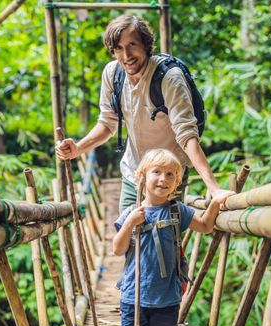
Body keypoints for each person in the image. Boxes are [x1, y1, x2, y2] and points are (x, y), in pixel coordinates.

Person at [55, 14, 234, 211]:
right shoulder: (112, 74)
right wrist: (78, 149)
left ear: (146, 44)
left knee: (165, 238)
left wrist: (214, 189)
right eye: (119, 48)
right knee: (126, 236)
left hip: (167, 178)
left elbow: (187, 135)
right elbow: (108, 123)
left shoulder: (169, 78)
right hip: (133, 173)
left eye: (132, 45)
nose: (126, 55)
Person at [113, 149, 225, 326]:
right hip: (134, 295)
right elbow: (118, 249)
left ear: (176, 182)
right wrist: (130, 223)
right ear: (142, 177)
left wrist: (215, 202)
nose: (163, 179)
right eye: (156, 172)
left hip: (166, 297)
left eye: (170, 174)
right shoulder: (131, 212)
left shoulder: (177, 210)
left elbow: (206, 226)